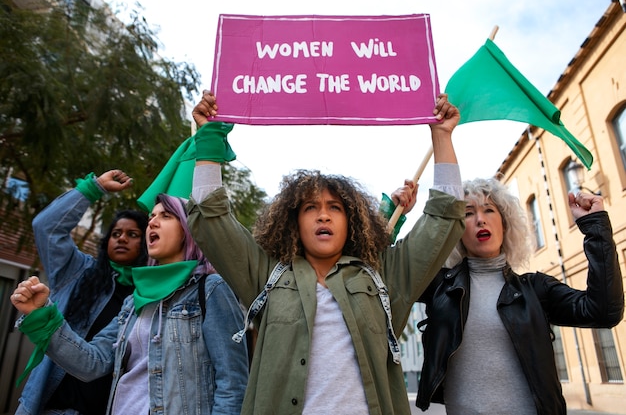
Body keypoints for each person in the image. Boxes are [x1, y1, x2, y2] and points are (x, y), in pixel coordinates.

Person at [184, 90, 466, 415]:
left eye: (335, 207)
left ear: (352, 223)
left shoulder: (383, 277)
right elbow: (211, 219)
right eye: (310, 208)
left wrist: (442, 136)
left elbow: (444, 219)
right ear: (293, 222)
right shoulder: (267, 277)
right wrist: (208, 140)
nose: (323, 215)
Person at [11, 193, 249, 415]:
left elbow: (233, 383)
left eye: (166, 216)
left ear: (190, 230)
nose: (153, 223)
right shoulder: (133, 301)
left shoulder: (211, 289)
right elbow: (92, 363)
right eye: (151, 217)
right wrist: (42, 315)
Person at [414, 177, 624, 414]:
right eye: (468, 213)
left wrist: (596, 228)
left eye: (489, 210)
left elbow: (604, 311)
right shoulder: (440, 287)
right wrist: (396, 215)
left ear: (505, 224)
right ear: (457, 230)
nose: (480, 219)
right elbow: (388, 272)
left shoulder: (535, 289)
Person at [15, 169, 149, 415]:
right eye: (116, 234)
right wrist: (94, 187)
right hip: (46, 407)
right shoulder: (77, 270)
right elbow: (46, 228)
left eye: (133, 235)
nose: (121, 239)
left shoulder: (148, 295)